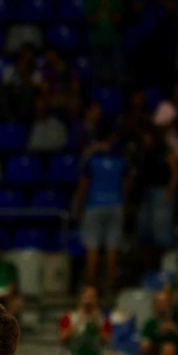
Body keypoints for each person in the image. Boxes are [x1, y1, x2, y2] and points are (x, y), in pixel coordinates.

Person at [73, 124, 126, 293]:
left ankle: (89, 288)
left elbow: (83, 185)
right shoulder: (119, 158)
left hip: (94, 205)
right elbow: (125, 185)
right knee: (112, 247)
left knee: (92, 248)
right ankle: (110, 287)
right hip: (115, 205)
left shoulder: (91, 158)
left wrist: (80, 207)